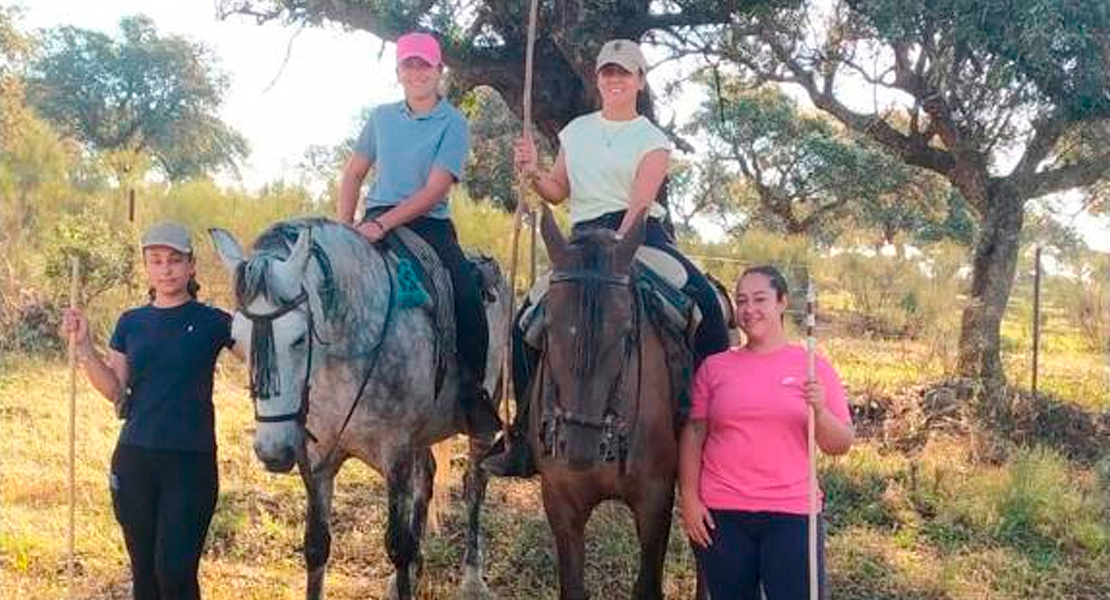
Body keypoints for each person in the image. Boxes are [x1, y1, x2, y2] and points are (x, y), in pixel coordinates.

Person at [482, 38, 731, 476]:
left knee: (706, 305)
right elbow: (558, 191)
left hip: (640, 237)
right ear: (597, 78)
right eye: (607, 72)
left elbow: (638, 204)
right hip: (581, 242)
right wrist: (533, 171)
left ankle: (710, 428)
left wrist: (616, 250)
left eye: (624, 72)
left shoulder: (652, 138)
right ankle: (523, 435)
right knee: (526, 322)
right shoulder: (575, 131)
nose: (615, 79)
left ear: (639, 80)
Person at [63, 222, 240, 600]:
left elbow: (261, 358)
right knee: (144, 574)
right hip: (134, 459)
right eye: (156, 260)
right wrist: (84, 348)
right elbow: (115, 390)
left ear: (191, 266)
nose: (166, 269)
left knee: (175, 572)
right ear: (146, 267)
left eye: (175, 260)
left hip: (190, 462)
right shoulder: (131, 323)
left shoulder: (214, 321)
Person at [337, 31, 499, 435]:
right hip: (374, 216)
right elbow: (354, 173)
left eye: (424, 65)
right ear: (399, 72)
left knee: (464, 293)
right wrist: (344, 230)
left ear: (439, 70)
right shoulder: (381, 117)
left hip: (428, 224)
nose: (417, 72)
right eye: (409, 65)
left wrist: (380, 225)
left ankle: (471, 395)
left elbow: (433, 191)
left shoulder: (453, 122)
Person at [678, 266, 856, 600]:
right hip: (723, 514)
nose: (749, 309)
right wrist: (689, 498)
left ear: (782, 302)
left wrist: (819, 411)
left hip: (792, 513)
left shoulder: (813, 367)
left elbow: (840, 444)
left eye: (760, 299)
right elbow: (694, 434)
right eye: (742, 300)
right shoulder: (715, 367)